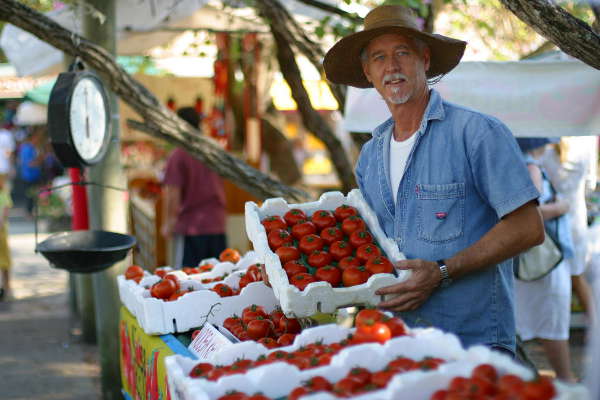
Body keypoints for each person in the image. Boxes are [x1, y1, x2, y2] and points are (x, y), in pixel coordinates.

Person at [323, 4, 544, 355]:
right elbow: (378, 245)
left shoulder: (477, 133)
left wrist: (443, 271)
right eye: (379, 58)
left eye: (402, 53)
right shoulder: (370, 156)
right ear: (367, 72)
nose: (391, 67)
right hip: (397, 341)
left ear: (425, 60)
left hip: (472, 343)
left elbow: (529, 227)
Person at [514, 138, 577, 382]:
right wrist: (561, 207)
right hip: (544, 263)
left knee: (538, 323)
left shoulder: (515, 163)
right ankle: (565, 381)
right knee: (552, 322)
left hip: (533, 259)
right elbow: (530, 212)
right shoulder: (530, 165)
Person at [161, 107, 227, 268]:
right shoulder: (213, 148)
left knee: (188, 282)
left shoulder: (179, 154)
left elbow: (172, 193)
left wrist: (169, 223)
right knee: (219, 277)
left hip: (192, 227)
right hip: (217, 222)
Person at [542, 137, 597, 325]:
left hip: (550, 224)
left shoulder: (544, 145)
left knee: (552, 280)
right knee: (577, 277)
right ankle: (594, 325)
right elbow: (590, 183)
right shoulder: (587, 141)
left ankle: (555, 330)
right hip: (576, 219)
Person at [0, 174, 13, 300]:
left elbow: (4, 213)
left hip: (1, 233)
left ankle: (7, 287)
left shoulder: (3, 195)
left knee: (4, 261)